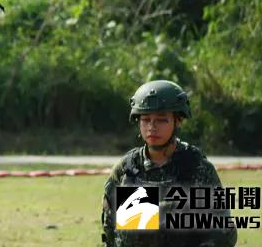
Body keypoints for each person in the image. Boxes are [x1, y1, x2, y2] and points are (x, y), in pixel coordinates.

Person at [101, 80, 238, 247]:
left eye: (161, 120)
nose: (152, 127)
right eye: (145, 119)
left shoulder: (197, 168)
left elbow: (223, 232)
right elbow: (110, 231)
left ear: (178, 121)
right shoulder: (127, 169)